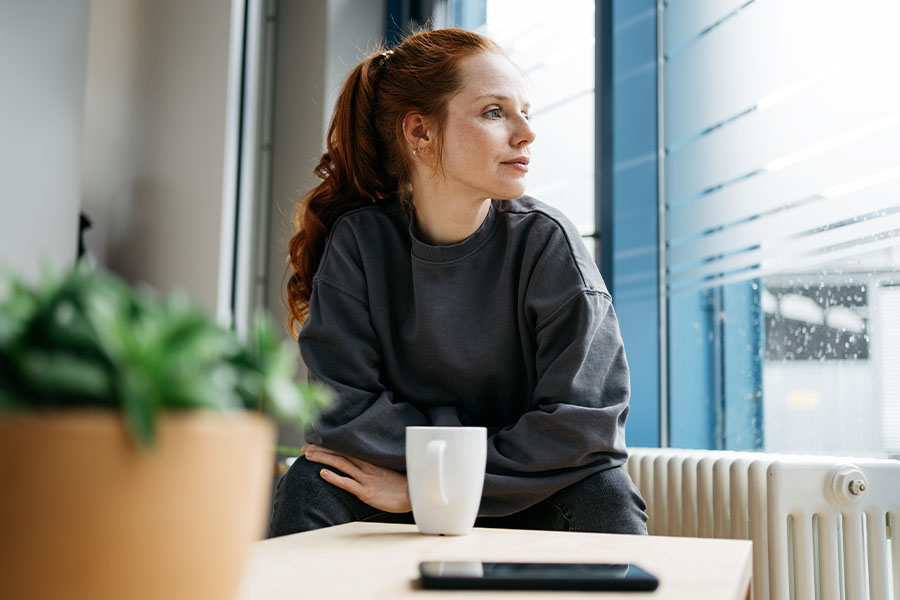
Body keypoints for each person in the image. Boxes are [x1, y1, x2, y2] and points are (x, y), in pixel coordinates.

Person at [268, 28, 647, 537]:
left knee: (605, 491)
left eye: (525, 112)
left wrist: (432, 488)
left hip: (523, 490)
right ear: (419, 132)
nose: (525, 132)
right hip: (395, 485)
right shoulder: (359, 243)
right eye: (495, 112)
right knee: (312, 481)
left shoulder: (548, 242)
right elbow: (341, 413)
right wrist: (433, 484)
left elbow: (584, 425)